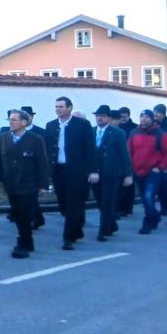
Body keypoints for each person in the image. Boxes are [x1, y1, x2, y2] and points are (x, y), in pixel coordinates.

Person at [0, 109, 50, 259]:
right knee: (17, 214)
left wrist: (43, 185)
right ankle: (28, 240)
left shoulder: (35, 139)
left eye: (14, 120)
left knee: (25, 214)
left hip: (29, 184)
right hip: (10, 183)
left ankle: (22, 243)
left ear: (24, 122)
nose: (11, 122)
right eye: (10, 120)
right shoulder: (3, 138)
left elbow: (42, 163)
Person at [45, 96, 98, 250]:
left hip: (76, 170)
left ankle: (68, 238)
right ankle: (77, 228)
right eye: (56, 107)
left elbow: (90, 149)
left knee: (73, 203)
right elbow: (48, 149)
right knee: (63, 203)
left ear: (69, 108)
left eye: (61, 107)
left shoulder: (82, 125)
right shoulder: (51, 126)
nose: (58, 110)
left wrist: (92, 170)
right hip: (58, 170)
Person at [90, 105, 133, 241]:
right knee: (100, 201)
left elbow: (124, 155)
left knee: (108, 201)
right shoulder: (90, 132)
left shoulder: (117, 133)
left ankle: (102, 231)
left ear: (108, 118)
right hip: (95, 172)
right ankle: (112, 224)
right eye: (97, 116)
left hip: (111, 173)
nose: (99, 118)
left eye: (102, 116)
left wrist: (128, 174)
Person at [128, 109, 167, 234]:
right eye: (141, 116)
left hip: (153, 172)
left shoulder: (160, 134)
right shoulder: (134, 133)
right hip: (138, 171)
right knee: (145, 198)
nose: (143, 119)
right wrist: (130, 168)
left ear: (152, 119)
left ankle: (147, 223)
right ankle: (155, 217)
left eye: (146, 117)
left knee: (148, 197)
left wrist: (160, 167)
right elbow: (129, 152)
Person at [115, 108, 137, 217]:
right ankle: (119, 208)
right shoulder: (117, 127)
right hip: (119, 159)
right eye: (121, 117)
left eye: (125, 117)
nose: (123, 119)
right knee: (120, 185)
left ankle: (128, 208)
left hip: (131, 158)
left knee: (129, 185)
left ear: (129, 116)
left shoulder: (134, 128)